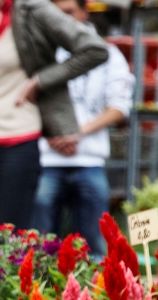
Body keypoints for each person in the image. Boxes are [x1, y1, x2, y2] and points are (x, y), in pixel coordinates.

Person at [0, 0, 108, 230]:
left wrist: (40, 81)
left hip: (17, 139)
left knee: (10, 236)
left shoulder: (31, 9)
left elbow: (95, 50)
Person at [33, 0, 134, 259]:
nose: (63, 20)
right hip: (46, 158)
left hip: (89, 158)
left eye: (68, 12)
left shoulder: (108, 53)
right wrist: (54, 132)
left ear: (85, 10)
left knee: (94, 250)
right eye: (57, 13)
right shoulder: (41, 51)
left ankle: (94, 298)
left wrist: (77, 132)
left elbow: (120, 105)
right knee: (40, 252)